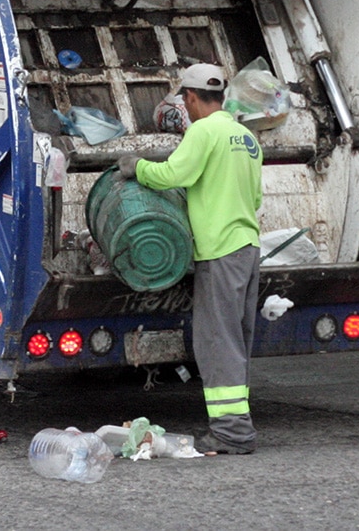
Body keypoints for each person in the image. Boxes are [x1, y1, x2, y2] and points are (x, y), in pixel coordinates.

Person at [118, 63, 264, 455]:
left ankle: (233, 432)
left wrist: (138, 168)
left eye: (185, 97)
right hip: (248, 247)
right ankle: (237, 424)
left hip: (220, 251)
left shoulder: (203, 130)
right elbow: (254, 198)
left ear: (192, 98)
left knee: (218, 343)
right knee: (236, 339)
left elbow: (175, 173)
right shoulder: (245, 136)